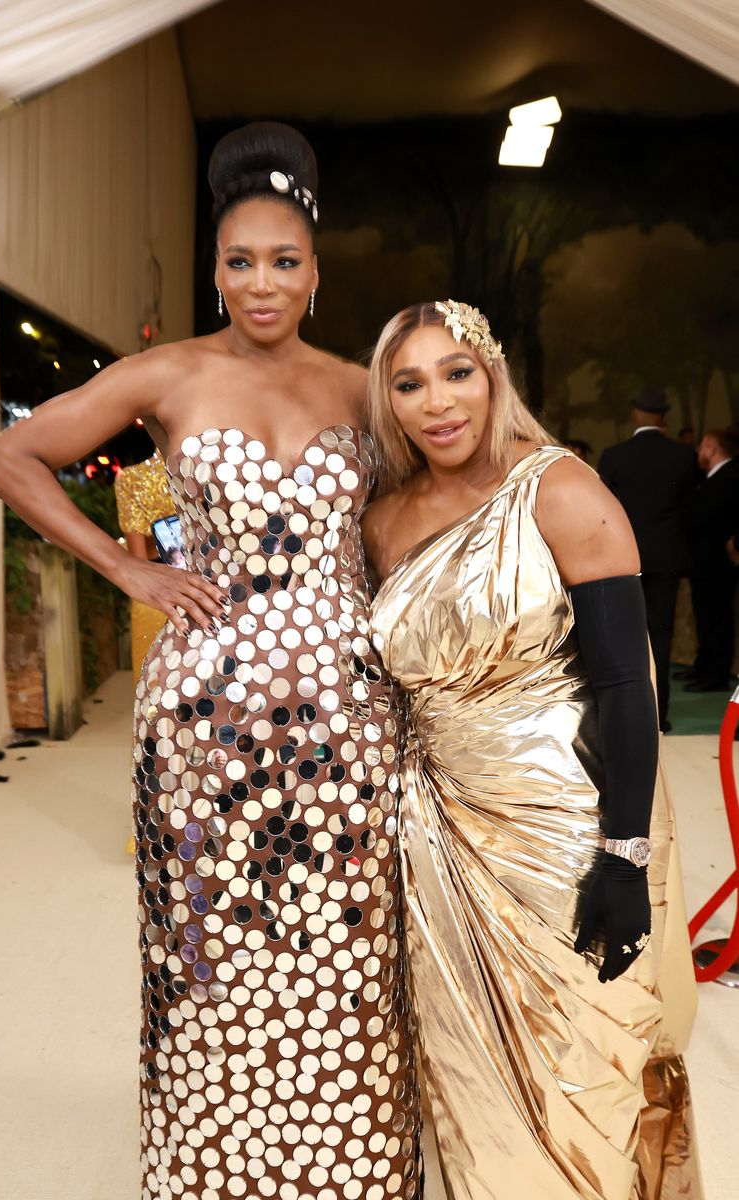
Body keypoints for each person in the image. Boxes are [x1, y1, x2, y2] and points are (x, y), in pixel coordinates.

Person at [0, 122, 421, 1200]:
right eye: (238, 261)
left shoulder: (365, 389)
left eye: (282, 261)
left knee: (345, 946)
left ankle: (347, 1172)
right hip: (205, 717)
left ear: (315, 272)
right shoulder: (167, 373)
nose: (260, 283)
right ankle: (213, 1165)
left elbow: (428, 511)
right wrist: (126, 573)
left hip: (348, 715)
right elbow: (7, 456)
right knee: (210, 940)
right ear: (215, 270)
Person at [362, 301, 701, 1200]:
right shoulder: (384, 521)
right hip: (437, 839)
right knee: (468, 1085)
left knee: (579, 1074)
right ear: (387, 402)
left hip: (564, 832)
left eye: (455, 372)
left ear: (492, 376)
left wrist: (623, 856)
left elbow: (629, 688)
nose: (437, 401)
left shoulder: (561, 489)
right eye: (409, 382)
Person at [598, 389, 698, 732]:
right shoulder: (684, 456)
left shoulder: (615, 456)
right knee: (661, 634)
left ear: (635, 415)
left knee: (622, 636)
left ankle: (628, 718)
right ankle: (660, 715)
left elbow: (604, 510)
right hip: (666, 557)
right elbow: (689, 510)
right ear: (663, 417)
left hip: (622, 558)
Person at [684, 429, 739, 692]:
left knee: (716, 619)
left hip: (716, 563)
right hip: (705, 562)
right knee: (706, 617)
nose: (699, 453)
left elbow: (700, 516)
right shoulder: (713, 478)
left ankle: (715, 676)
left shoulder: (728, 477)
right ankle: (703, 667)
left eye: (702, 447)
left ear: (711, 448)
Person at [114, 449, 173, 682]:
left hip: (155, 594)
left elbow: (139, 559)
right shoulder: (211, 473)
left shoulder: (131, 479)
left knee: (155, 689)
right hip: (212, 588)